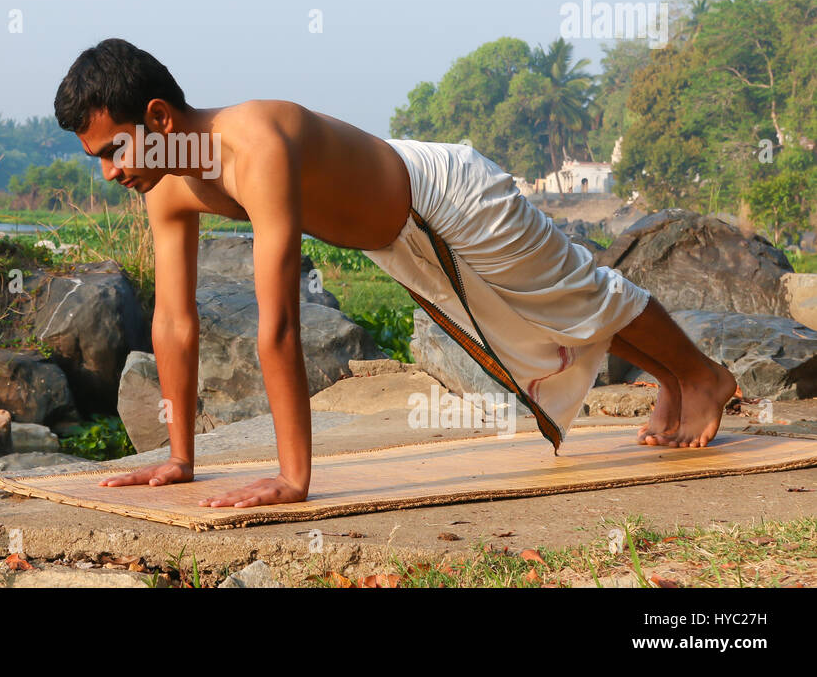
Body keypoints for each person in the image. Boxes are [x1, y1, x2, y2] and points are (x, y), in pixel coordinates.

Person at [52, 38, 739, 510]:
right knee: (547, 314)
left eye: (115, 150)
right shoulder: (167, 183)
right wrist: (179, 457)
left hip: (445, 195)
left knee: (575, 296)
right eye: (98, 161)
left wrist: (294, 479)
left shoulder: (252, 145)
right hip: (398, 239)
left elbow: (282, 323)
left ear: (160, 118)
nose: (112, 173)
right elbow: (174, 320)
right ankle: (674, 379)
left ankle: (702, 375)